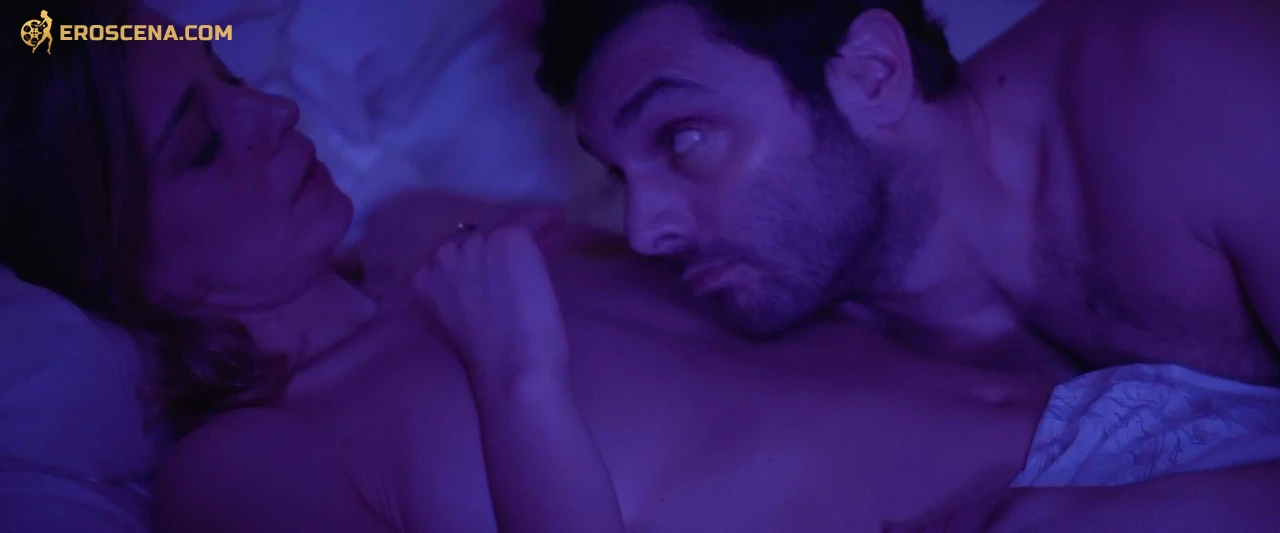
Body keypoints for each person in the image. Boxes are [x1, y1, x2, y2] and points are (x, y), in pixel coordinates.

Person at [3, 1, 1276, 532]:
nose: (269, 115)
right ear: (127, 265)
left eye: (233, 77)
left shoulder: (432, 245)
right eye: (199, 144)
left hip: (1143, 412)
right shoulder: (236, 468)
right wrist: (517, 377)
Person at [531, 0, 1280, 529]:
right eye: (620, 177)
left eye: (683, 139)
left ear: (872, 73)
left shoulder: (1182, 82)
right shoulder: (811, 320)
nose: (645, 230)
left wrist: (1144, 516)